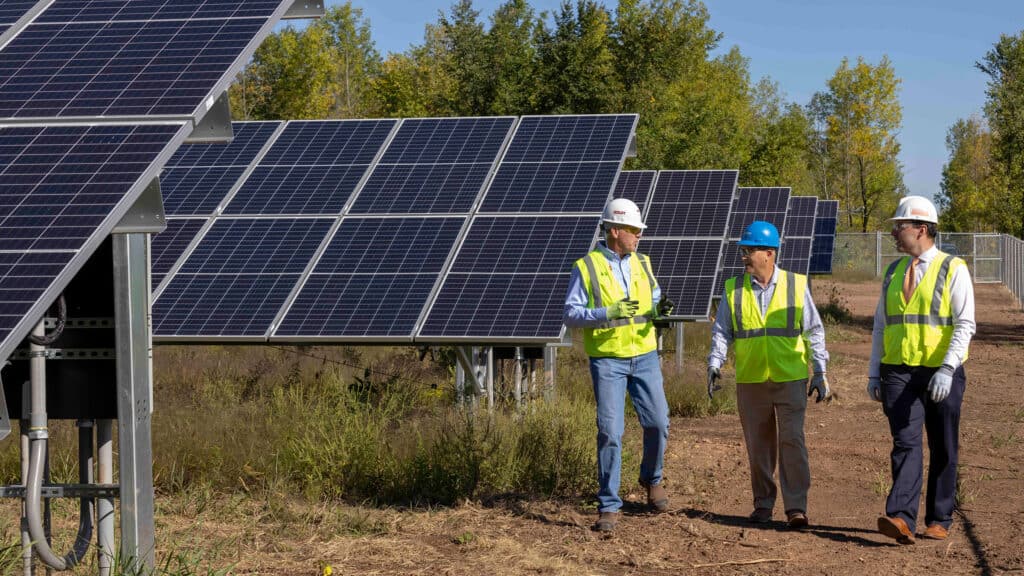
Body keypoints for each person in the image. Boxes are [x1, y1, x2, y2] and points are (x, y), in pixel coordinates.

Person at [707, 220, 830, 529]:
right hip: (751, 380)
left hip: (789, 378)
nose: (744, 256)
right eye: (743, 251)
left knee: (792, 442)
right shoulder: (733, 289)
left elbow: (814, 331)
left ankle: (796, 507)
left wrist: (820, 371)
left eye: (749, 251)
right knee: (758, 446)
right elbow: (722, 331)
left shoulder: (796, 285)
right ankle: (763, 504)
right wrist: (714, 363)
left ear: (769, 253)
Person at [563, 197, 675, 533]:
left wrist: (660, 311)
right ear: (615, 231)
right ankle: (609, 505)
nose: (639, 236)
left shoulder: (643, 262)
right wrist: (605, 313)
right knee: (611, 432)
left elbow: (654, 299)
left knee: (658, 422)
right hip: (608, 359)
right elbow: (570, 313)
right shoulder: (586, 267)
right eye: (633, 230)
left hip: (644, 356)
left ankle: (651, 479)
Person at [869, 195, 975, 544]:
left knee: (943, 444)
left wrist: (948, 367)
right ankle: (900, 517)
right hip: (898, 370)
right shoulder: (893, 271)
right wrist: (874, 372)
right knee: (905, 442)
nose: (895, 233)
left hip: (940, 371)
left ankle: (940, 517)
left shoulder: (952, 268)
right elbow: (882, 326)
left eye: (900, 227)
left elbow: (965, 324)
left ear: (921, 228)